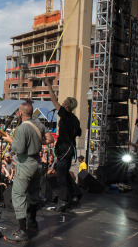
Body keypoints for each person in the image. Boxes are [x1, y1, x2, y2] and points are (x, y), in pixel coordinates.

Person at [2, 102, 54, 243]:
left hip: (25, 165)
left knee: (18, 195)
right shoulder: (39, 124)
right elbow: (50, 139)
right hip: (37, 164)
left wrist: (9, 140)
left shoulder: (21, 128)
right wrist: (36, 142)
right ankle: (32, 223)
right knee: (32, 194)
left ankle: (22, 231)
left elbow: (19, 149)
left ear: (20, 113)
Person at [46, 77, 82, 212]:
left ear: (66, 106)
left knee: (61, 176)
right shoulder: (75, 119)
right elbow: (78, 133)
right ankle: (73, 196)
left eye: (64, 102)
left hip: (64, 149)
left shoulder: (65, 115)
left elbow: (53, 99)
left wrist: (49, 84)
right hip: (70, 148)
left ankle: (62, 201)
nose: (62, 103)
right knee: (66, 173)